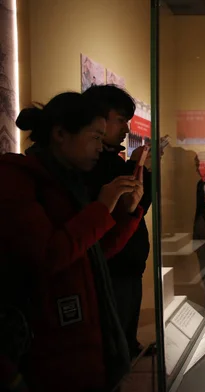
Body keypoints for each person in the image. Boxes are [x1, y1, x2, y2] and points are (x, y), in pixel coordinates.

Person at [0, 92, 144, 392]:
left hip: (82, 338)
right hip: (49, 345)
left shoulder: (70, 182)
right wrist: (102, 207)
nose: (99, 147)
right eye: (95, 136)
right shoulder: (17, 178)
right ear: (61, 134)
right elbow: (47, 256)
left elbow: (92, 254)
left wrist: (126, 214)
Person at [83, 84, 153, 360]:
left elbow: (135, 208)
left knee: (122, 342)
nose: (126, 129)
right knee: (112, 351)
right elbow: (130, 207)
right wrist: (136, 169)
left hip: (124, 264)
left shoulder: (109, 162)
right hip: (111, 265)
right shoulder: (95, 167)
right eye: (121, 120)